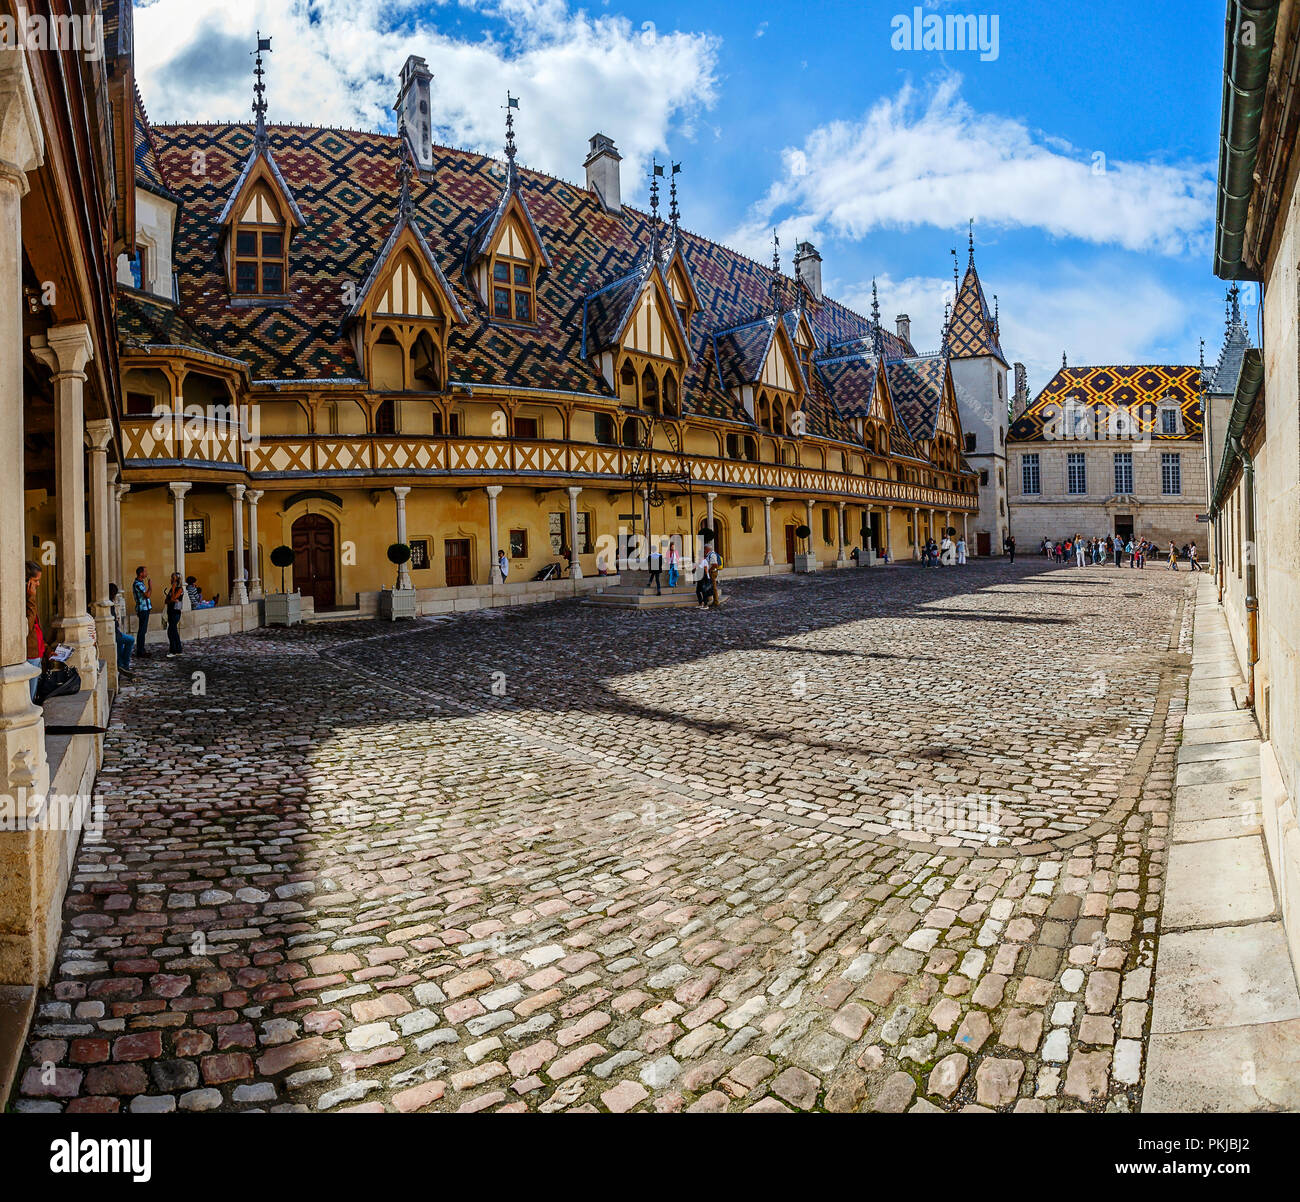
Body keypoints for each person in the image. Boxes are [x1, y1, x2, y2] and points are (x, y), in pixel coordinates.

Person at [25, 560, 48, 701]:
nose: (38, 584)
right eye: (36, 580)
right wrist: (31, 598)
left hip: (37, 651)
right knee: (30, 697)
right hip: (31, 652)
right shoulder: (26, 600)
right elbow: (28, 624)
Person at [108, 583, 134, 677]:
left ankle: (121, 664)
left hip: (115, 632)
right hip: (112, 632)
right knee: (130, 640)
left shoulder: (110, 603)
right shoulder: (109, 604)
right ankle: (124, 665)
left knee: (120, 644)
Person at [163, 572, 185, 658]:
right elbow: (167, 601)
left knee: (171, 631)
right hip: (170, 611)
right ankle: (178, 649)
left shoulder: (179, 589)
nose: (171, 580)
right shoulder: (171, 589)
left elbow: (173, 598)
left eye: (173, 578)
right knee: (174, 631)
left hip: (176, 612)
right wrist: (171, 599)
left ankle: (173, 650)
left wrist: (173, 588)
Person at [132, 566, 153, 657]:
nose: (146, 573)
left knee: (143, 630)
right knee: (142, 631)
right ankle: (140, 651)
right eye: (145, 572)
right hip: (143, 609)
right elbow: (147, 595)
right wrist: (150, 586)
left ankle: (142, 650)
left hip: (145, 609)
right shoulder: (138, 584)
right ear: (141, 573)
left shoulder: (140, 583)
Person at [695, 544, 719, 608]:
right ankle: (707, 600)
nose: (704, 550)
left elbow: (715, 565)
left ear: (707, 549)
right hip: (709, 572)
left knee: (713, 587)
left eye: (704, 549)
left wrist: (709, 570)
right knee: (709, 587)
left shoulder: (712, 555)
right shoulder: (708, 555)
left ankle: (716, 601)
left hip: (712, 572)